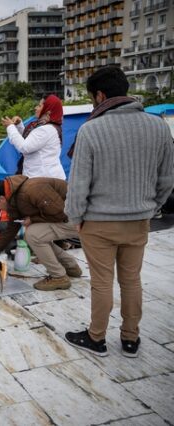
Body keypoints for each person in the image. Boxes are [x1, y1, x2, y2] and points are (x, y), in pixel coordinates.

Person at [64, 66, 174, 358]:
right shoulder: (158, 126)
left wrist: (76, 218)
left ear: (100, 95)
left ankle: (96, 338)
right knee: (131, 280)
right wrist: (151, 208)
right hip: (139, 220)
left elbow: (78, 185)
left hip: (98, 223)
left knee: (102, 283)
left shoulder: (91, 130)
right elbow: (167, 179)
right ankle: (130, 339)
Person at [0, 175, 82, 290]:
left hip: (79, 218)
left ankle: (59, 277)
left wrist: (32, 219)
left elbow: (60, 213)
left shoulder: (31, 190)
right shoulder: (13, 198)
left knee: (33, 235)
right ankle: (70, 266)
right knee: (36, 234)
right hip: (67, 217)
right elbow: (11, 229)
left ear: (2, 198)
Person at [1, 94, 66, 179]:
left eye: (39, 106)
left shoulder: (45, 130)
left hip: (43, 180)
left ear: (48, 110)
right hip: (46, 177)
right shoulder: (49, 127)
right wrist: (19, 126)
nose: (36, 108)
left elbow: (24, 147)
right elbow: (31, 141)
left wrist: (10, 127)